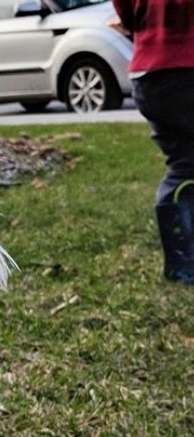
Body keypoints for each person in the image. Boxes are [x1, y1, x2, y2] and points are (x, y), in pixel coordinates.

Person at [112, 0, 194, 284]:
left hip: (147, 73)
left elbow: (123, 9)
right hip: (186, 65)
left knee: (183, 164)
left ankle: (181, 264)